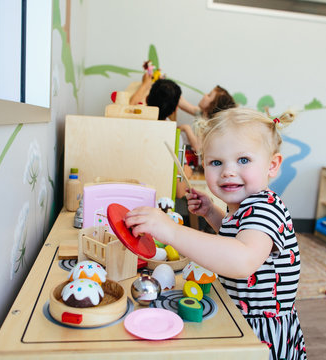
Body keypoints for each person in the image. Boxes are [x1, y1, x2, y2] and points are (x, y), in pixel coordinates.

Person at [125, 107, 306, 359]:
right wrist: (211, 213)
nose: (227, 171)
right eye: (216, 162)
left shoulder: (266, 207)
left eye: (243, 160)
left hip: (260, 334)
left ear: (272, 165)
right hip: (239, 317)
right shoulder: (244, 206)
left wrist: (170, 230)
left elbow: (242, 260)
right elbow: (238, 236)